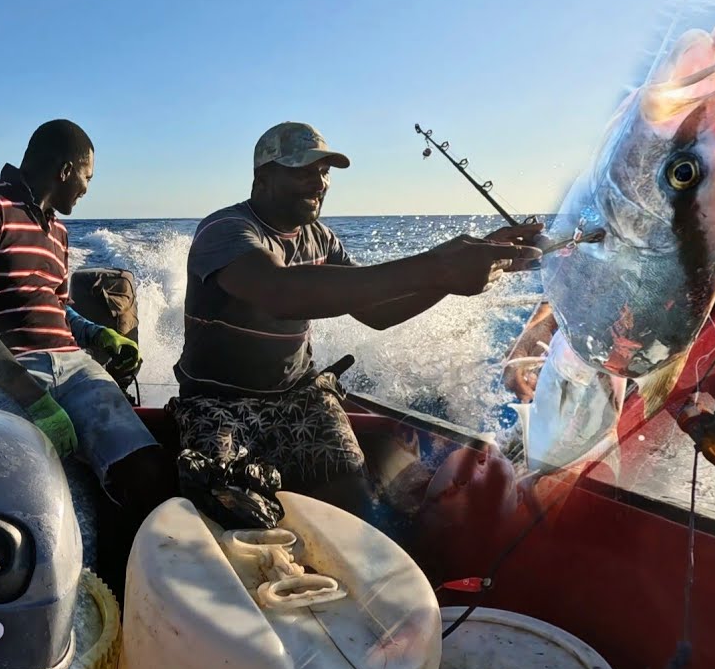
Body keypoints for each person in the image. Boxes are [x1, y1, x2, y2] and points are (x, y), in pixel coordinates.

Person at [168, 121, 543, 517]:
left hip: (298, 399)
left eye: (324, 172)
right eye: (303, 171)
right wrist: (439, 268)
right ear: (263, 176)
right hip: (217, 403)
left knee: (355, 503)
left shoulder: (322, 238)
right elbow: (282, 293)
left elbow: (377, 313)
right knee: (226, 512)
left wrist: (455, 275)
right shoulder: (225, 231)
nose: (319, 183)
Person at [0, 119, 176, 569]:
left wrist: (97, 333)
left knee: (148, 476)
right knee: (51, 510)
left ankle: (125, 605)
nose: (87, 189)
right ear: (67, 170)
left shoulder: (58, 234)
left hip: (72, 367)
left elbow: (56, 306)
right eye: (88, 177)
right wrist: (36, 401)